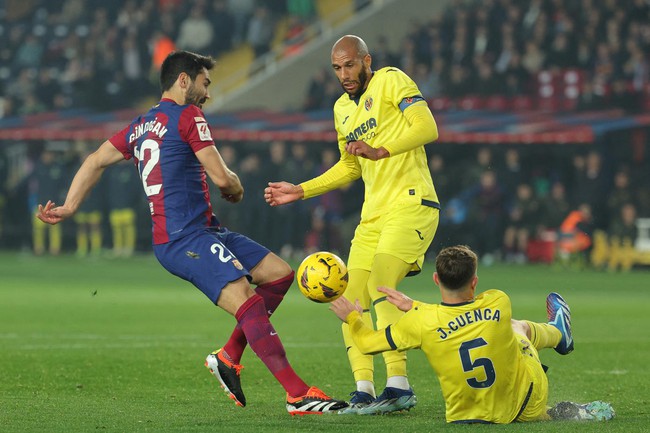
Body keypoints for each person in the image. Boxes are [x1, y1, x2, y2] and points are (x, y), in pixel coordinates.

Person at [36, 50, 347, 415]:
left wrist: (71, 205)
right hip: (184, 239)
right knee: (248, 302)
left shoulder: (141, 125)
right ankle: (298, 395)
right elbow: (222, 178)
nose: (208, 93)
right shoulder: (188, 115)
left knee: (279, 275)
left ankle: (229, 357)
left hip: (204, 231)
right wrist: (236, 186)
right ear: (184, 80)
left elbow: (93, 160)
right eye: (205, 82)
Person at [265, 35, 440, 414]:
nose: (344, 74)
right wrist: (301, 190)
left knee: (381, 285)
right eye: (337, 68)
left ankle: (398, 386)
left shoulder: (392, 80)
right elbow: (350, 165)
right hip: (372, 215)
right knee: (347, 297)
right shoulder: (342, 109)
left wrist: (381, 150)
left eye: (349, 65)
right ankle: (363, 388)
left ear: (366, 61)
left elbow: (428, 128)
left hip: (412, 202)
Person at [330, 245, 615, 423]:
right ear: (475, 281)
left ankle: (558, 338)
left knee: (502, 332)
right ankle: (558, 333)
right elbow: (465, 312)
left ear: (435, 279)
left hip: (464, 417)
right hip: (527, 404)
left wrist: (352, 318)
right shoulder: (497, 301)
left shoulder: (420, 323)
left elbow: (367, 344)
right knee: (517, 328)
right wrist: (416, 306)